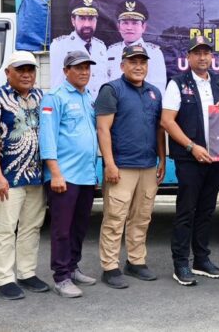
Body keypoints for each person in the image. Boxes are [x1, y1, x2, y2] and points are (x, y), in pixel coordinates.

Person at [161, 35, 219, 286]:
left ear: (211, 57)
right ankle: (181, 262)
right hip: (190, 158)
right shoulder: (177, 83)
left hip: (215, 157)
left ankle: (202, 259)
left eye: (206, 53)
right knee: (187, 211)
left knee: (207, 210)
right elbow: (167, 121)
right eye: (197, 53)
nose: (202, 57)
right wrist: (192, 147)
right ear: (188, 58)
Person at [0, 51, 49, 300]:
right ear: (8, 72)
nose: (27, 74)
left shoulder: (41, 97)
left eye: (30, 69)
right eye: (20, 70)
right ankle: (4, 279)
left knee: (32, 226)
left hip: (37, 176)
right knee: (6, 228)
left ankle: (27, 273)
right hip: (8, 176)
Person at [96, 44, 166, 289]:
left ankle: (136, 262)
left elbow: (159, 130)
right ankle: (110, 266)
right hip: (121, 166)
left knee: (141, 217)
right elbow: (103, 129)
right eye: (133, 62)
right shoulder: (111, 90)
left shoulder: (154, 92)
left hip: (147, 165)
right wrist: (109, 164)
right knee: (115, 217)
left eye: (142, 62)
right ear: (122, 65)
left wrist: (163, 159)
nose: (138, 66)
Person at [39, 51, 101, 299]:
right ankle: (61, 276)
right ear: (66, 71)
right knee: (61, 229)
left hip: (85, 175)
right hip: (64, 176)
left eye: (87, 67)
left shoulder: (88, 97)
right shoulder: (54, 97)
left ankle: (73, 267)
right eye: (78, 68)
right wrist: (55, 173)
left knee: (79, 226)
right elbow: (48, 136)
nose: (84, 71)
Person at [49, 0, 108, 95]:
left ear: (96, 20)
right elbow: (57, 83)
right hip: (73, 106)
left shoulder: (101, 46)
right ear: (73, 20)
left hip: (99, 106)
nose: (87, 24)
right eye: (82, 18)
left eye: (91, 18)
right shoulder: (60, 45)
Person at [106, 0, 166, 92]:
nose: (129, 28)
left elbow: (158, 90)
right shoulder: (111, 51)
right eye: (125, 23)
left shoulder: (154, 53)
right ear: (118, 27)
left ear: (143, 27)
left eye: (135, 23)